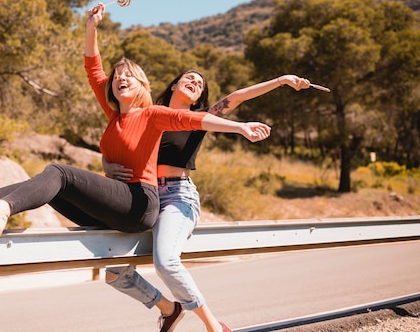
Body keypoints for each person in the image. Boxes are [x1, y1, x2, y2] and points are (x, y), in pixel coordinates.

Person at [0, 3, 272, 243]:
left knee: (60, 172)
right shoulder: (114, 114)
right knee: (49, 186)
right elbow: (93, 68)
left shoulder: (153, 115)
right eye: (117, 77)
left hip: (140, 205)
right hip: (116, 207)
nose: (120, 79)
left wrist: (240, 127)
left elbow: (194, 118)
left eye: (128, 76)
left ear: (144, 85)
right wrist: (90, 26)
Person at [102, 70, 310, 332]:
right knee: (114, 272)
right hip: (145, 197)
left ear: (199, 96)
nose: (194, 83)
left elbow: (236, 98)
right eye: (189, 78)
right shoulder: (147, 115)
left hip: (178, 196)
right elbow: (117, 138)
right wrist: (105, 161)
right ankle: (168, 308)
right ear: (174, 83)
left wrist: (282, 81)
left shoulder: (199, 119)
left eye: (200, 84)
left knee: (166, 261)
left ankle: (214, 327)